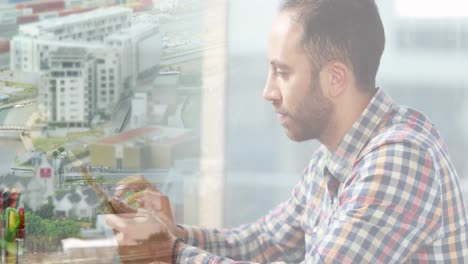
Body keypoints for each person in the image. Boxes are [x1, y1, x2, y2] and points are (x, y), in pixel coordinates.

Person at [105, 0, 468, 263]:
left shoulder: (400, 158)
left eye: (283, 72)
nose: (268, 91)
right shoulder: (337, 155)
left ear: (335, 79)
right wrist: (173, 234)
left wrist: (168, 253)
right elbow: (265, 243)